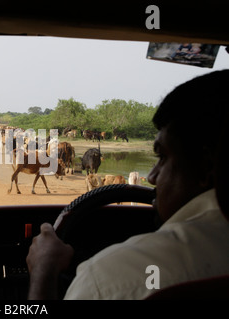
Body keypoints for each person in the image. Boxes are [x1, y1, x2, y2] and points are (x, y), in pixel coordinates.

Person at [26, 69, 229, 299]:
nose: (151, 176)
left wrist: (43, 271)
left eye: (162, 158)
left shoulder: (108, 278)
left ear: (206, 167)